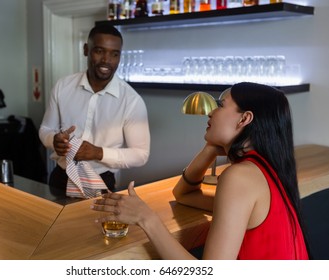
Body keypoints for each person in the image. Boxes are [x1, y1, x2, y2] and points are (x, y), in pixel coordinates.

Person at [92, 82, 310, 260]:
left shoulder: (240, 177)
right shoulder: (267, 169)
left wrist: (146, 217)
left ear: (244, 119)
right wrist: (210, 150)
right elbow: (184, 194)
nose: (210, 112)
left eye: (220, 105)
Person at [39, 23, 150, 193]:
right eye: (99, 51)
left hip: (101, 182)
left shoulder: (131, 100)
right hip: (59, 178)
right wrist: (53, 140)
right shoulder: (63, 86)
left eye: (114, 54)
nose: (106, 60)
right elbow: (46, 128)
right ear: (86, 49)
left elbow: (141, 154)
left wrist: (98, 153)